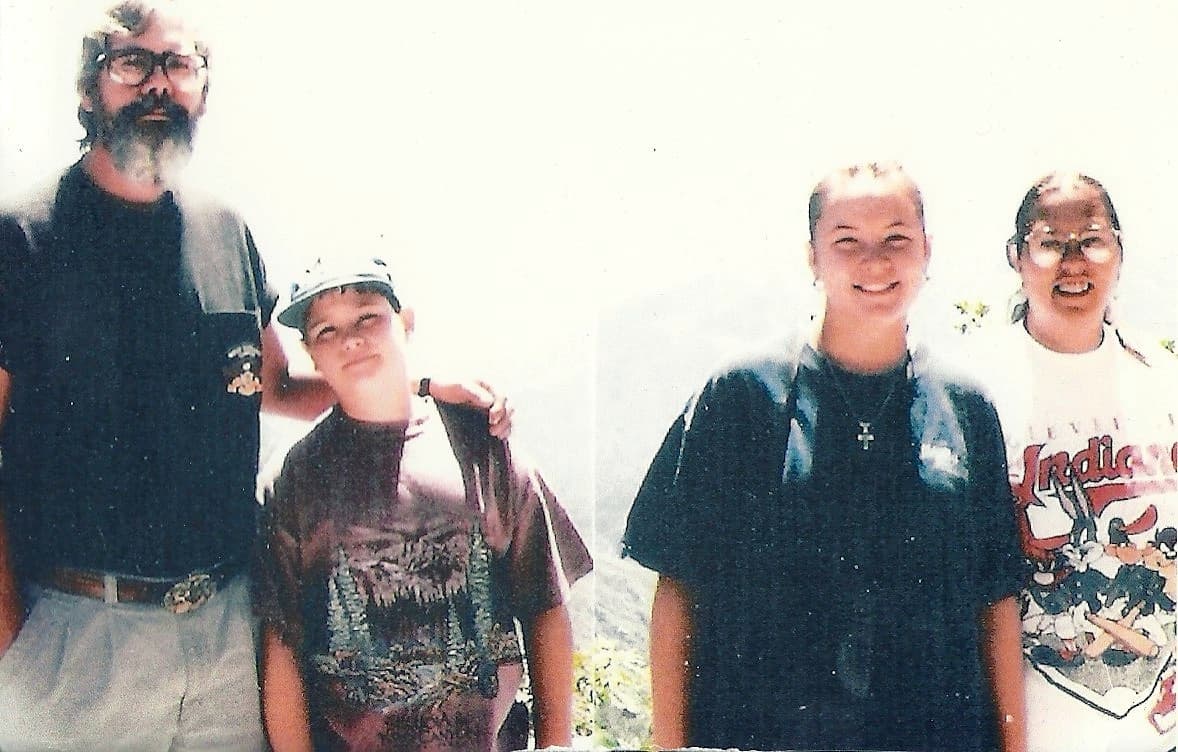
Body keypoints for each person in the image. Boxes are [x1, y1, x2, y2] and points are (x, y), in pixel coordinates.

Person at [0, 2, 509, 749]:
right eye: (131, 63)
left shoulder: (224, 230)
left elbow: (277, 387)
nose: (157, 85)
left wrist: (422, 391)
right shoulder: (24, 235)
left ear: (202, 90)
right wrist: (12, 641)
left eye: (178, 65)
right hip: (77, 639)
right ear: (88, 90)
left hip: (225, 637)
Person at [622, 162, 1028, 751]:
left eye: (896, 239)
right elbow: (679, 587)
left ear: (927, 251)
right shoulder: (741, 394)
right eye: (847, 242)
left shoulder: (965, 407)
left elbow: (995, 602)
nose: (875, 262)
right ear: (812, 256)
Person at [252, 256, 592, 752]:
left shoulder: (483, 445)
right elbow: (282, 646)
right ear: (310, 355)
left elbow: (544, 604)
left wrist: (555, 744)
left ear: (405, 324)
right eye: (326, 331)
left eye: (369, 317)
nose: (351, 340)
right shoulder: (294, 481)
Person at [969, 172, 1176, 751]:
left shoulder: (1163, 384)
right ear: (1017, 258)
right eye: (1050, 243)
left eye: (1089, 240)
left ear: (1119, 250)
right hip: (1025, 733)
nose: (1073, 262)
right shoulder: (970, 395)